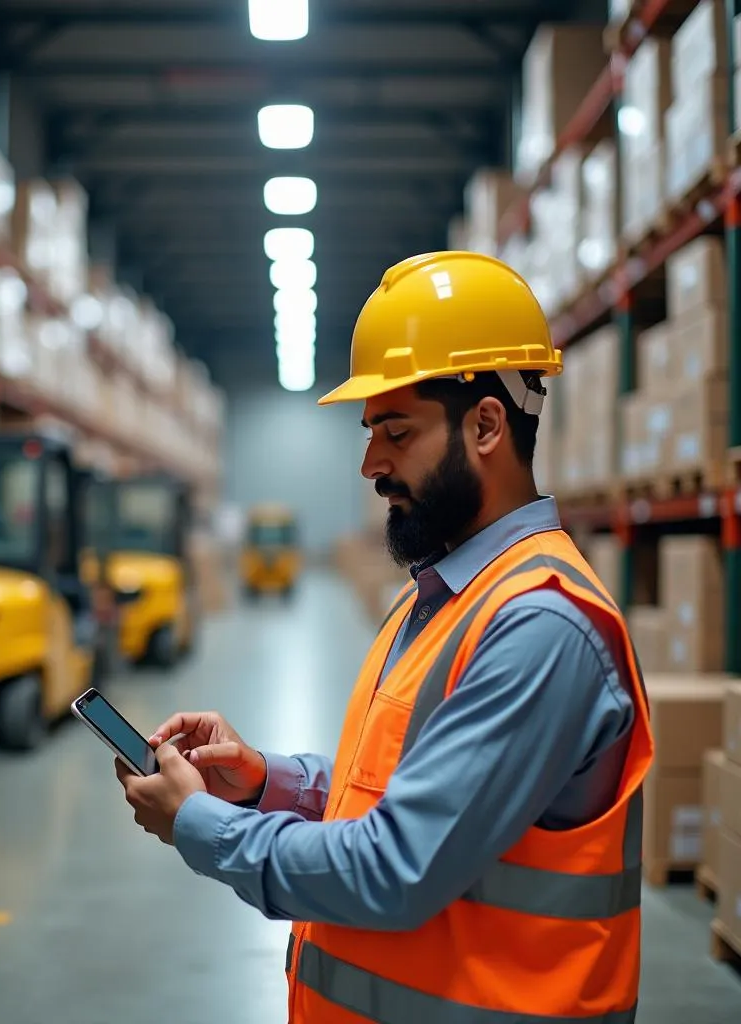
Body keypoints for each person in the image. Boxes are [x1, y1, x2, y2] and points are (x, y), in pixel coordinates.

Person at [115, 251, 654, 1023]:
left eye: (395, 432)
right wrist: (268, 781)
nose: (370, 463)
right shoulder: (438, 597)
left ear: (487, 425)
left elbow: (395, 865)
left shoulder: (541, 627)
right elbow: (419, 788)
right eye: (371, 434)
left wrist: (202, 823)